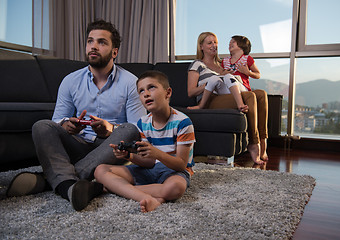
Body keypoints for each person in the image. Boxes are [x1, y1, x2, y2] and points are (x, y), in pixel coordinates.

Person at [6, 19, 147, 211]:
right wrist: (67, 126)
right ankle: (78, 184)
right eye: (90, 41)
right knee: (42, 126)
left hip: (111, 149)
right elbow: (57, 120)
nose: (93, 47)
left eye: (101, 42)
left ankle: (57, 182)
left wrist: (110, 130)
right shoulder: (70, 81)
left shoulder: (131, 83)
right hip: (78, 144)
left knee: (129, 130)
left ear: (114, 52)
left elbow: (139, 130)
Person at [94, 70, 196, 213]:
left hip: (174, 172)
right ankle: (152, 198)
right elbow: (149, 162)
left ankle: (113, 188)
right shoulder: (143, 123)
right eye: (141, 91)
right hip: (150, 170)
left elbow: (181, 165)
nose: (146, 93)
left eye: (151, 87)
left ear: (168, 93)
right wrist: (128, 156)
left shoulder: (183, 122)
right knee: (101, 170)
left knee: (176, 188)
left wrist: (157, 154)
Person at [187, 32, 268, 165]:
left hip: (226, 95)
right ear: (201, 46)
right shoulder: (197, 64)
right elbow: (191, 92)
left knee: (261, 94)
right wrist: (208, 85)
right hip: (210, 99)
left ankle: (263, 141)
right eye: (209, 43)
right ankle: (254, 142)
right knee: (249, 96)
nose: (214, 46)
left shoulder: (222, 63)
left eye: (215, 42)